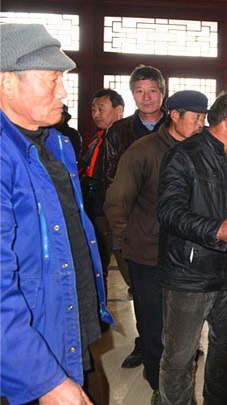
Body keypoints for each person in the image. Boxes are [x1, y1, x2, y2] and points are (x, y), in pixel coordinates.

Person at [0, 23, 113, 404]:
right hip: (24, 350)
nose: (64, 92)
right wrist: (44, 381)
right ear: (7, 82)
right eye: (52, 80)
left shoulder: (57, 144)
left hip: (66, 324)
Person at [157, 92, 227, 405]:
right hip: (190, 274)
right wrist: (215, 230)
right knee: (180, 356)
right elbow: (169, 212)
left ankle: (221, 399)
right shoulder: (184, 156)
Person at [104, 90, 208, 403]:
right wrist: (128, 244)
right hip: (149, 255)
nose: (201, 124)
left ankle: (179, 384)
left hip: (187, 254)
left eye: (204, 118)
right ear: (175, 115)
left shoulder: (201, 149)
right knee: (154, 326)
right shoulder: (143, 151)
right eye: (196, 118)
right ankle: (157, 387)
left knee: (184, 325)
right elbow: (117, 201)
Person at [103, 64, 167, 369]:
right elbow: (109, 178)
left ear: (162, 93)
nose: (147, 97)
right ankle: (147, 343)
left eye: (152, 90)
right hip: (134, 224)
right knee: (141, 290)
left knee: (176, 289)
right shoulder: (119, 131)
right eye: (140, 91)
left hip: (172, 223)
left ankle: (177, 343)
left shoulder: (178, 125)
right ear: (132, 95)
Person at [80, 88, 125, 299]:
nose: (96, 114)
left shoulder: (124, 139)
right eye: (93, 109)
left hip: (113, 212)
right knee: (97, 264)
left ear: (119, 110)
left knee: (128, 266)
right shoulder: (97, 139)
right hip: (94, 208)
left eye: (101, 109)